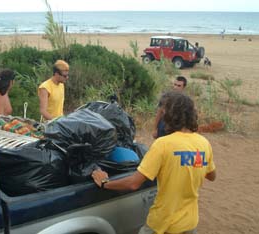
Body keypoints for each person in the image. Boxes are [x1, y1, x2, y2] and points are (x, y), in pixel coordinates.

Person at [92, 92, 216, 234]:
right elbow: (212, 176)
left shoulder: (163, 145)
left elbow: (134, 183)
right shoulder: (204, 143)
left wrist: (105, 182)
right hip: (189, 224)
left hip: (162, 224)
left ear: (170, 115)